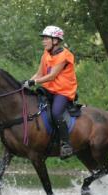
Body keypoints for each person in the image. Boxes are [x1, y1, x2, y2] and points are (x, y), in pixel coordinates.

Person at [24, 25, 78, 159]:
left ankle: (66, 144)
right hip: (49, 89)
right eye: (43, 39)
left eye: (46, 38)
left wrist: (35, 82)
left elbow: (52, 75)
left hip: (63, 91)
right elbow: (39, 73)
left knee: (56, 112)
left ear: (55, 40)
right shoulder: (46, 54)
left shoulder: (65, 55)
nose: (43, 41)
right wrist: (27, 83)